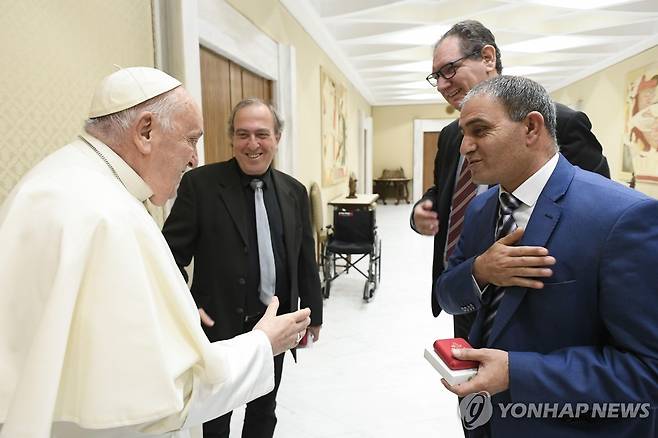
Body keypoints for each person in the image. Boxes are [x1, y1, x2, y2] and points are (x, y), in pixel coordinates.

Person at [0, 67, 312, 438]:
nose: (195, 158)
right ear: (146, 131)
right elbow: (168, 400)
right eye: (190, 140)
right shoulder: (110, 217)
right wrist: (262, 344)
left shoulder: (58, 180)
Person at [436, 75, 658, 437]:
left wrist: (516, 373)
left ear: (531, 127)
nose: (465, 147)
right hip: (483, 418)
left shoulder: (622, 217)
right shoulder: (480, 209)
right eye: (463, 133)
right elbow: (447, 295)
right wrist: (480, 270)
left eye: (479, 130)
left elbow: (647, 370)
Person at [411, 20, 611, 340]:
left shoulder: (561, 123)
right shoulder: (452, 136)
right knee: (472, 382)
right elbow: (444, 190)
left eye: (448, 69)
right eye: (436, 77)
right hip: (468, 286)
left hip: (535, 297)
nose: (442, 84)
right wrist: (425, 206)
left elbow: (599, 212)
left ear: (488, 58)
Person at [162, 98, 323, 438]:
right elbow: (166, 256)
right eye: (242, 134)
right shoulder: (200, 186)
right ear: (231, 139)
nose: (252, 144)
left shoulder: (294, 191)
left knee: (265, 409)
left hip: (275, 324)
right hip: (220, 325)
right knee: (217, 414)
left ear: (277, 138)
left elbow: (304, 258)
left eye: (262, 134)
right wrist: (187, 306)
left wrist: (314, 315)